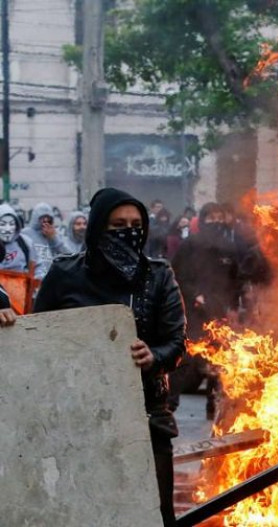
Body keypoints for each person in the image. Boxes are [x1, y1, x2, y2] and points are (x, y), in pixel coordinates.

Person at [33, 187, 185, 527]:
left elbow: (176, 344)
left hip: (147, 417)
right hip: (78, 419)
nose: (128, 230)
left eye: (135, 223)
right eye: (118, 224)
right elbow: (37, 335)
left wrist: (153, 355)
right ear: (98, 226)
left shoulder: (159, 275)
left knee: (155, 516)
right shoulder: (64, 274)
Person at [169, 202, 239, 419]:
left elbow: (235, 279)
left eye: (220, 217)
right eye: (211, 217)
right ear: (203, 219)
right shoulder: (190, 245)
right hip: (194, 312)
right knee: (187, 356)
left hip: (219, 311)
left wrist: (231, 305)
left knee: (219, 361)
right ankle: (169, 404)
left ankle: (213, 403)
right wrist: (194, 295)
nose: (216, 221)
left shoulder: (229, 247)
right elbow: (177, 274)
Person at [20, 202, 69, 280]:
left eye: (48, 217)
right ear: (35, 218)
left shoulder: (56, 234)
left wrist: (54, 238)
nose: (45, 220)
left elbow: (68, 256)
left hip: (52, 280)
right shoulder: (25, 234)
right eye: (42, 217)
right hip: (32, 278)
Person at [0, 202, 34, 272]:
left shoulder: (26, 242)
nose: (7, 229)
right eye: (3, 224)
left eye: (11, 224)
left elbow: (37, 267)